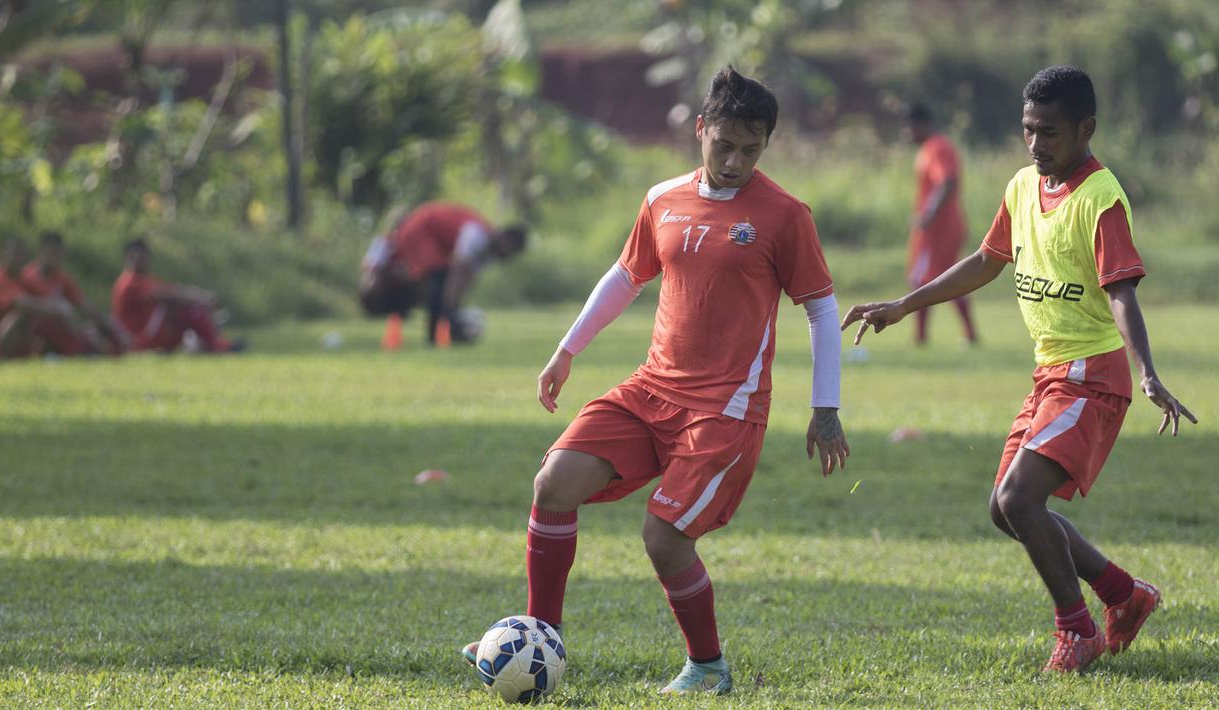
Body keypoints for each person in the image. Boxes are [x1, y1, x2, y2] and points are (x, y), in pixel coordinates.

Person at [462, 66, 850, 695]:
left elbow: (822, 309)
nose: (735, 161)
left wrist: (825, 407)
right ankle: (540, 638)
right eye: (724, 145)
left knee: (664, 537)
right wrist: (567, 349)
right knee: (553, 484)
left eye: (751, 150)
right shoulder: (662, 198)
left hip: (724, 411)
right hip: (650, 391)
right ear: (701, 130)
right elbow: (626, 276)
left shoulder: (785, 215)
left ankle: (708, 668)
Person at [842, 66, 1196, 673]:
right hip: (1050, 374)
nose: (1035, 143)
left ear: (1086, 128)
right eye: (1028, 130)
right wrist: (904, 305)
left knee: (1019, 498)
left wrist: (1147, 372)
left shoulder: (1101, 198)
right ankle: (1123, 594)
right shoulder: (1022, 186)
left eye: (1049, 132)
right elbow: (986, 260)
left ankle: (1076, 631)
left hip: (1092, 376)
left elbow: (1121, 292)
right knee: (1004, 509)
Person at [359, 202, 526, 346]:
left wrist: (456, 306)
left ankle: (439, 326)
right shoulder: (476, 234)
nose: (509, 254)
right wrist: (449, 308)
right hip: (420, 228)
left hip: (432, 238)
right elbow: (458, 269)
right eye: (511, 248)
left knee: (438, 280)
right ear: (504, 238)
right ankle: (435, 332)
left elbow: (467, 278)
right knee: (439, 277)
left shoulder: (487, 253)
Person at [903, 102, 977, 345]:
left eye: (909, 127)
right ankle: (968, 334)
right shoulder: (931, 148)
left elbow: (947, 182)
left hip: (939, 230)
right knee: (945, 279)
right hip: (942, 227)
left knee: (922, 280)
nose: (906, 133)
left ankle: (921, 338)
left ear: (921, 124)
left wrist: (928, 214)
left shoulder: (936, 147)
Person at [112, 238, 242, 354]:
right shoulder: (130, 282)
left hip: (145, 335)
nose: (143, 260)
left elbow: (167, 290)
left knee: (183, 308)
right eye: (139, 256)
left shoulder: (140, 279)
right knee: (191, 310)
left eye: (145, 255)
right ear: (129, 257)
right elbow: (166, 294)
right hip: (139, 339)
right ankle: (218, 346)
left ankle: (210, 343)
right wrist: (197, 295)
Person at [0, 236, 104, 359]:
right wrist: (58, 309)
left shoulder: (23, 278)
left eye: (20, 255)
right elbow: (24, 304)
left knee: (50, 314)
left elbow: (70, 302)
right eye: (12, 254)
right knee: (27, 313)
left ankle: (80, 348)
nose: (16, 259)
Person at [22, 230, 130, 355]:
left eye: (58, 254)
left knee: (96, 327)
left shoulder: (62, 278)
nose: (54, 258)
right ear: (41, 252)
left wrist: (111, 325)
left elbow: (82, 303)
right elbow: (23, 305)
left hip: (64, 325)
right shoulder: (27, 276)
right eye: (51, 253)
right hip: (38, 328)